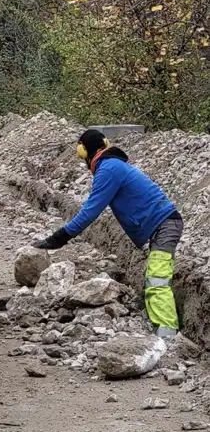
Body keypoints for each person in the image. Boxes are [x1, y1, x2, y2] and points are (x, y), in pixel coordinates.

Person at [33, 129, 183, 338]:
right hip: (163, 224)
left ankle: (168, 336)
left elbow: (90, 211)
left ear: (84, 151)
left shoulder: (109, 169)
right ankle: (160, 326)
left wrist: (59, 237)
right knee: (155, 277)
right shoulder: (113, 165)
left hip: (165, 225)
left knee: (157, 279)